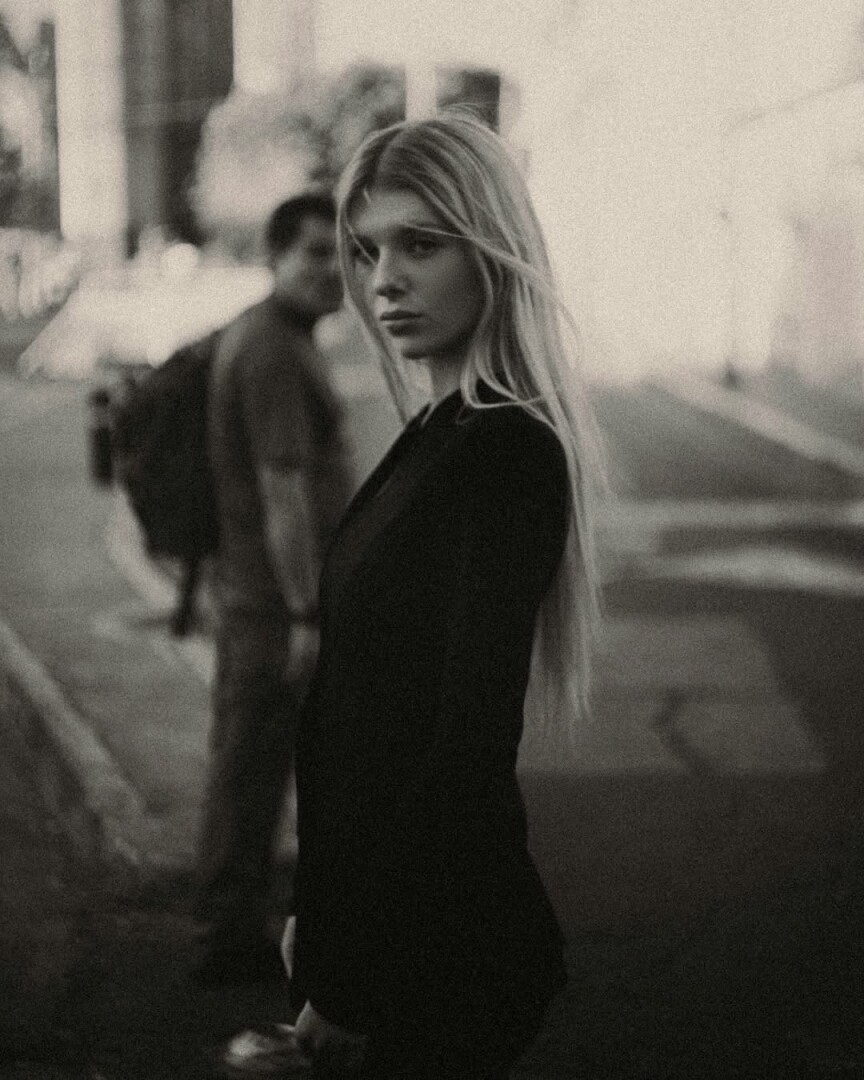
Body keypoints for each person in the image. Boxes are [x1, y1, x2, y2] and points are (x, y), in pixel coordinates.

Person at [281, 111, 604, 1079]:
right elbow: (366, 711)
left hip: (442, 958)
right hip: (386, 928)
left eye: (421, 244)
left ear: (493, 252)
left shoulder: (505, 450)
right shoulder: (438, 430)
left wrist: (353, 971)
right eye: (367, 249)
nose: (384, 278)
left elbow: (461, 748)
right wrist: (319, 910)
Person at [193, 193, 355, 985]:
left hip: (265, 597)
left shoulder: (283, 337)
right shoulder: (271, 351)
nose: (335, 270)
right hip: (271, 605)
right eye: (316, 252)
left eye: (345, 253)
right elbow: (281, 486)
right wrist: (304, 612)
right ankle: (227, 937)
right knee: (250, 767)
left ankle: (237, 921)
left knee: (258, 761)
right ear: (275, 256)